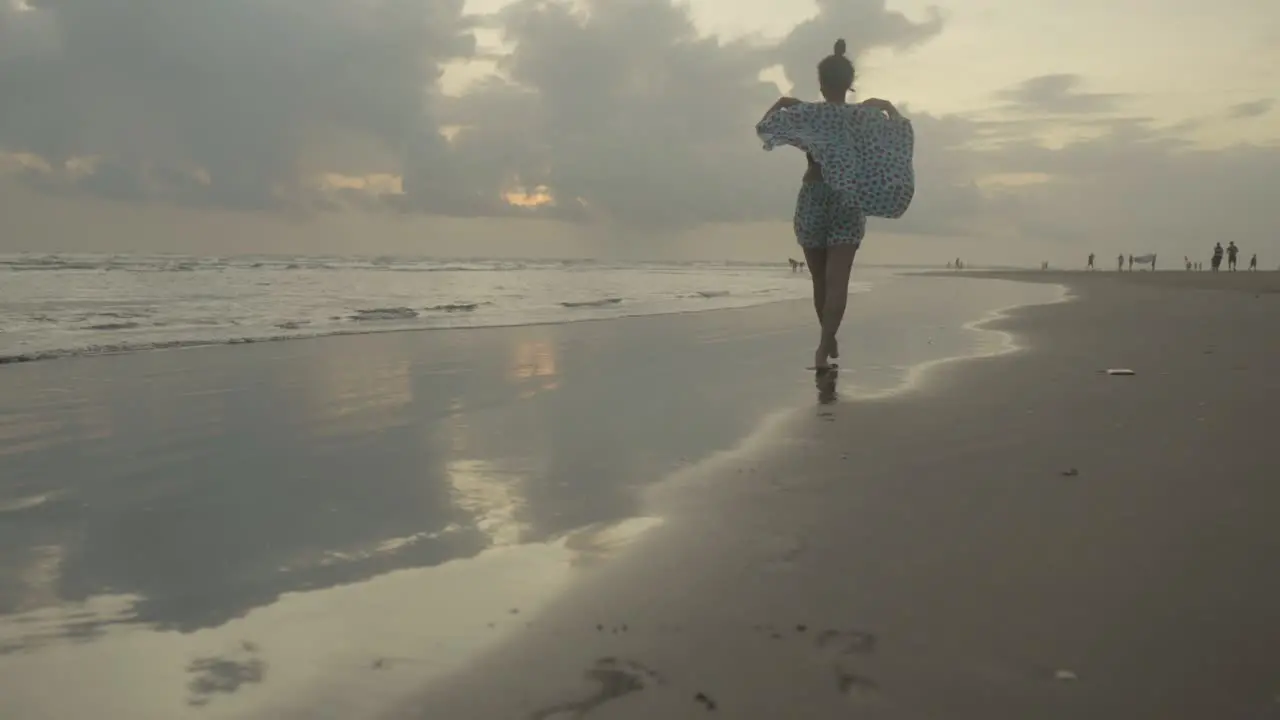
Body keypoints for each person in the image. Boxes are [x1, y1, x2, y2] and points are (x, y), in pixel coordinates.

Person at [755, 40, 903, 370]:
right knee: (838, 281)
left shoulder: (808, 114)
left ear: (820, 84)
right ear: (849, 84)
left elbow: (764, 130)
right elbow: (900, 134)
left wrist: (780, 102)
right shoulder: (862, 117)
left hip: (813, 196)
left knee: (819, 281)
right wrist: (889, 107)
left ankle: (827, 337)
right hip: (847, 200)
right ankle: (824, 345)